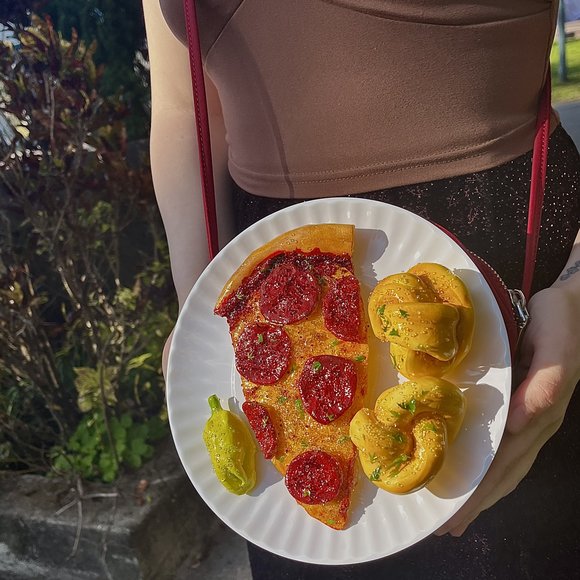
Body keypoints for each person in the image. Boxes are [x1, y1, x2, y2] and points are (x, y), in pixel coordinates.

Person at [142, 0, 580, 577]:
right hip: (277, 306)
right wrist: (198, 304)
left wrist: (576, 287)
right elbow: (184, 107)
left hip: (526, 309)